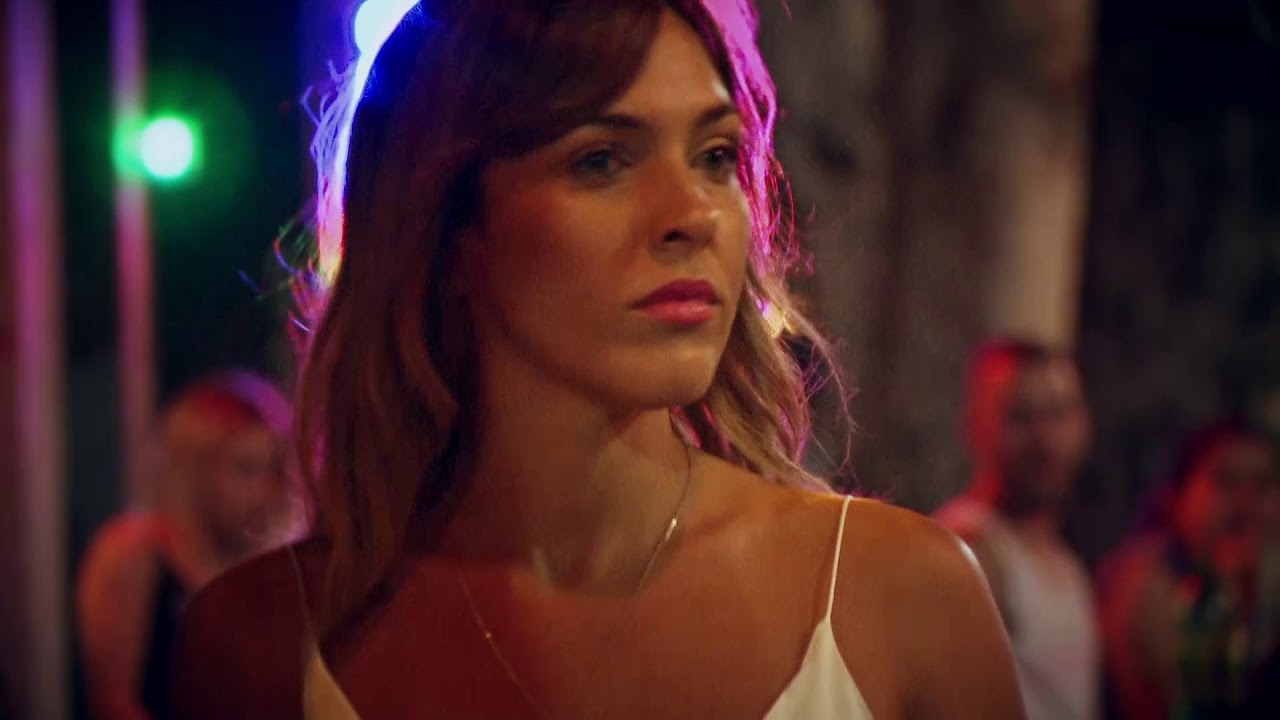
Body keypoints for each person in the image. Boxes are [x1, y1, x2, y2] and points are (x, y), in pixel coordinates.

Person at [173, 2, 1025, 717]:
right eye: (602, 160)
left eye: (716, 156)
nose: (692, 214)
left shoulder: (899, 600)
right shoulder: (257, 646)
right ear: (447, 229)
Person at [75, 371, 296, 720]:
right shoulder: (134, 551)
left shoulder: (269, 570)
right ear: (195, 471)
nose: (264, 492)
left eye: (272, 470)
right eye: (245, 469)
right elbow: (112, 702)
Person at [934, 339, 1099, 720]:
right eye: (1021, 416)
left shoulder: (1066, 564)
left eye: (1059, 413)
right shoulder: (970, 547)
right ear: (973, 426)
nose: (1045, 440)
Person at [1097, 420, 1279, 720]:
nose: (1245, 505)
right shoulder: (1151, 582)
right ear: (1176, 497)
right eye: (1225, 481)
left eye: (1263, 485)